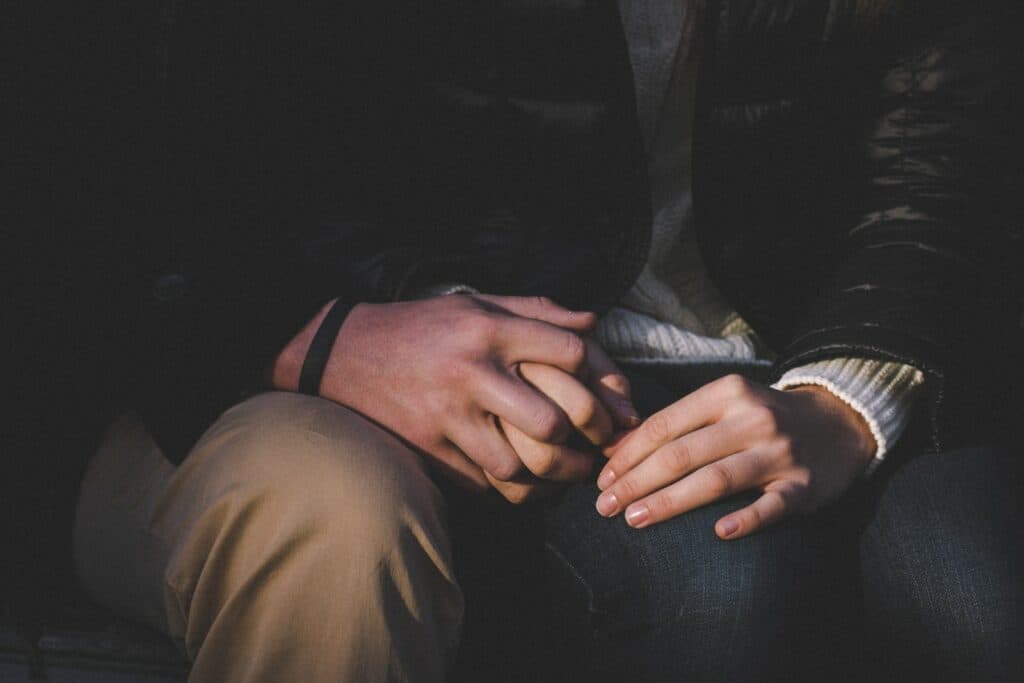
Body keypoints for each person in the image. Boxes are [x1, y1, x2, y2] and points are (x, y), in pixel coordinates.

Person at [52, 0, 1021, 681]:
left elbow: (943, 148)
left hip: (828, 345)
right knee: (724, 597)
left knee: (977, 594)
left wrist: (848, 391)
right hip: (545, 363)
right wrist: (356, 322)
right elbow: (200, 169)